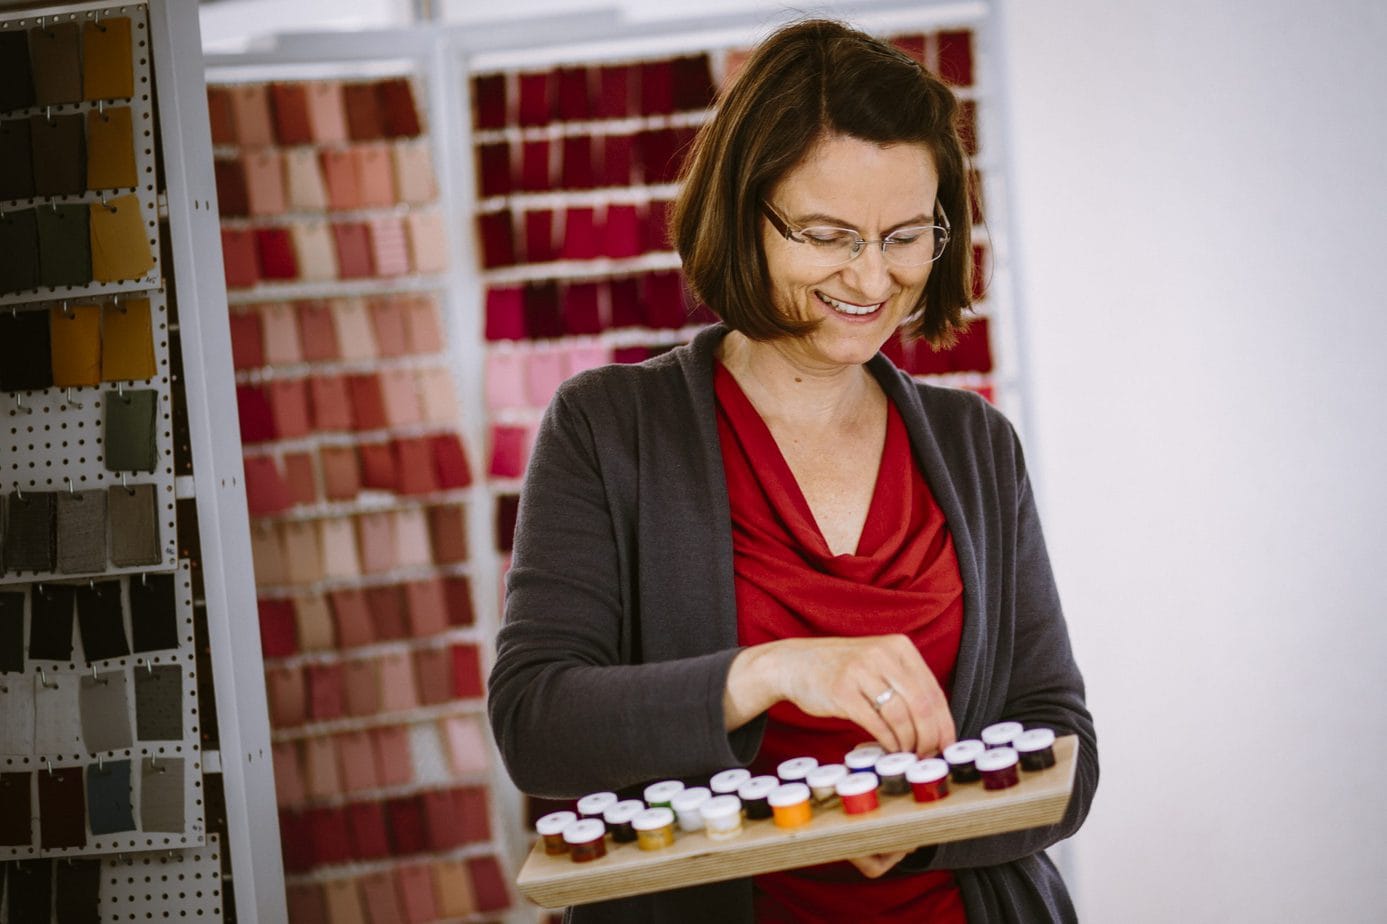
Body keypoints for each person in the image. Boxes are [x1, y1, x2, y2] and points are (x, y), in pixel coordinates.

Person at [488, 17, 1097, 923]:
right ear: (746, 215)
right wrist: (768, 672)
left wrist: (926, 827)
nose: (871, 276)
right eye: (826, 233)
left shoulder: (976, 445)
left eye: (904, 235)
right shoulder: (610, 427)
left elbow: (1061, 740)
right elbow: (537, 725)